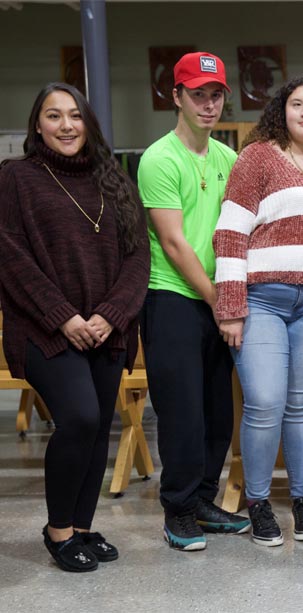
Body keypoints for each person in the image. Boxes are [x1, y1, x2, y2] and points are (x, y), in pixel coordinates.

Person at [0, 83, 149, 572]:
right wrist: (63, 317)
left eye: (75, 115)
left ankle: (83, 527)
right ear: (37, 125)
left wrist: (112, 314)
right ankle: (58, 530)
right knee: (81, 417)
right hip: (46, 328)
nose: (66, 125)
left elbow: (138, 258)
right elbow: (10, 258)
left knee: (100, 424)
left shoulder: (116, 182)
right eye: (53, 115)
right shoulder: (17, 178)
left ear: (89, 123)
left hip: (106, 329)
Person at [213, 75, 303, 546]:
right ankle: (257, 503)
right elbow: (231, 233)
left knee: (301, 407)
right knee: (264, 403)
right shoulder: (258, 157)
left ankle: (302, 498)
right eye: (298, 104)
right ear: (283, 110)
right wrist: (230, 306)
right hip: (261, 302)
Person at [137, 51, 249, 551]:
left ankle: (204, 498)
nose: (208, 104)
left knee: (216, 413)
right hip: (175, 300)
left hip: (217, 300)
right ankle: (177, 509)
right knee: (181, 412)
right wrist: (222, 301)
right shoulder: (159, 158)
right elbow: (176, 244)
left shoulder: (229, 158)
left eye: (216, 94)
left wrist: (228, 297)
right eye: (198, 94)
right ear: (176, 97)